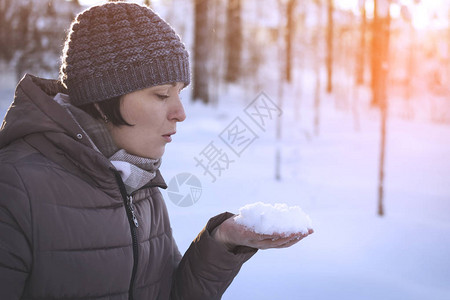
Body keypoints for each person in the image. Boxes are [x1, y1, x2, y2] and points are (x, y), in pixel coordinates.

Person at [0, 2, 312, 299]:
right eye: (162, 94)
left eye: (179, 92)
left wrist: (221, 243)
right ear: (100, 98)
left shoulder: (138, 181)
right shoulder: (13, 190)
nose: (180, 112)